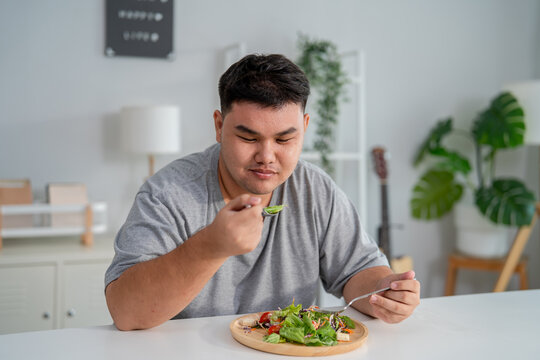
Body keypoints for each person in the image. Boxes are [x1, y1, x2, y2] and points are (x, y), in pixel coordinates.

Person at [105, 54, 420, 331]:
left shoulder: (316, 189)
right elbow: (126, 312)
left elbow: (358, 270)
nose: (267, 156)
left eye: (284, 140)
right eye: (248, 137)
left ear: (305, 128)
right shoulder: (167, 193)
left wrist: (384, 290)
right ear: (219, 126)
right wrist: (209, 247)